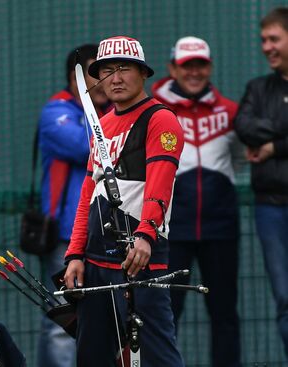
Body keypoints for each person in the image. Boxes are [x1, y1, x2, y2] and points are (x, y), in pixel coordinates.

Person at [63, 36, 185, 367]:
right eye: (106, 71)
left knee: (157, 354)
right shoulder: (102, 125)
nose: (115, 78)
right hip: (97, 261)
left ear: (143, 73)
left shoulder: (161, 119)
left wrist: (146, 234)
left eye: (124, 68)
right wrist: (75, 253)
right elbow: (88, 195)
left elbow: (160, 184)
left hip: (139, 257)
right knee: (92, 357)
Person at [151, 36, 241, 367]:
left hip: (221, 229)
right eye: (187, 65)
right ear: (173, 67)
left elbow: (241, 156)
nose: (194, 72)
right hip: (171, 230)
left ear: (210, 66)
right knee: (167, 313)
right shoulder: (154, 110)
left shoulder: (230, 111)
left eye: (200, 65)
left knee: (225, 312)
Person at [36, 43, 110, 367]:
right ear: (75, 77)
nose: (106, 80)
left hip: (106, 231)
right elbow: (90, 148)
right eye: (97, 73)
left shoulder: (110, 113)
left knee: (105, 317)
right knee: (64, 318)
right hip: (67, 233)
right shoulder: (57, 112)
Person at [234, 6, 288, 357]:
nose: (267, 46)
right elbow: (244, 125)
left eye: (274, 39)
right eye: (263, 40)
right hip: (271, 209)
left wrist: (274, 145)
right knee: (285, 296)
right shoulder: (257, 87)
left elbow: (261, 130)